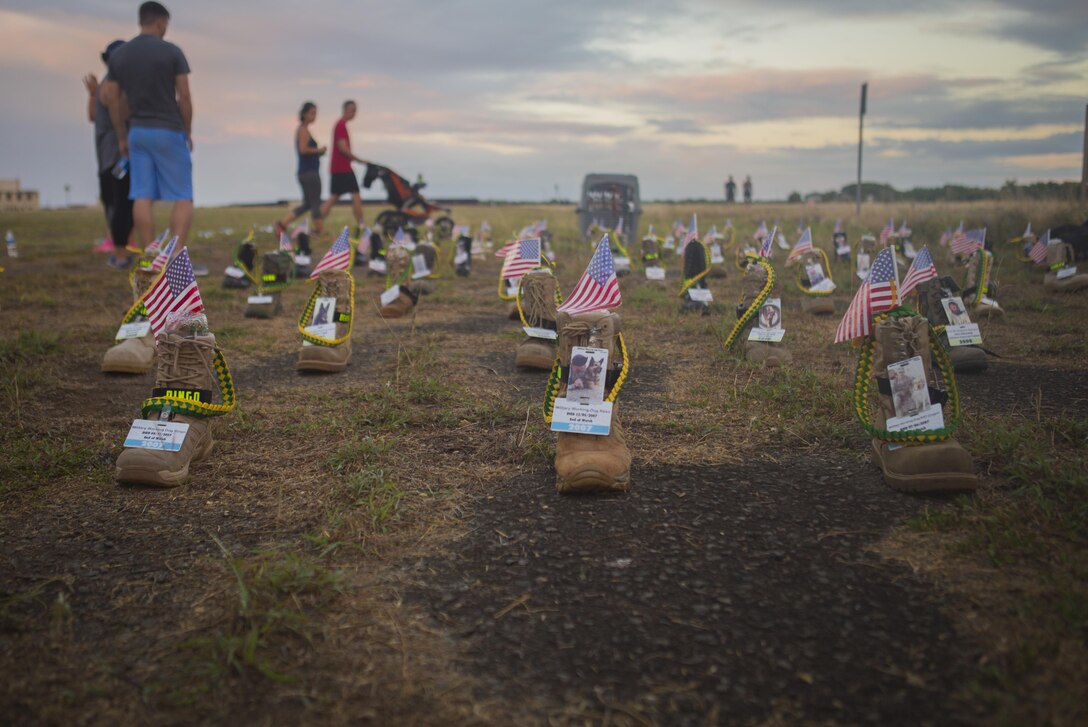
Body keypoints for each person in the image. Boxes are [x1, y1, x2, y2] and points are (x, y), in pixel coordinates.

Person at [102, 1, 193, 262]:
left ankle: (152, 254)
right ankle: (174, 256)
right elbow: (184, 96)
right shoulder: (172, 52)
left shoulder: (121, 56)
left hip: (137, 132)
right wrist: (187, 130)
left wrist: (122, 135)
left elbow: (113, 98)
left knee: (142, 195)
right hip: (168, 130)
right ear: (161, 22)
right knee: (183, 195)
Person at [85, 39, 135, 268]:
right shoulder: (114, 85)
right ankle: (120, 250)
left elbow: (93, 116)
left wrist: (95, 94)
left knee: (116, 203)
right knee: (119, 203)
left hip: (111, 156)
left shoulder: (110, 84)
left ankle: (120, 247)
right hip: (116, 155)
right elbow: (97, 116)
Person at [318, 100, 371, 233]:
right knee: (355, 195)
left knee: (334, 197)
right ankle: (362, 225)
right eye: (352, 110)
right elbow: (343, 148)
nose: (354, 113)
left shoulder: (341, 125)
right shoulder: (340, 125)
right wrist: (358, 160)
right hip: (343, 168)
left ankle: (317, 225)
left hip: (339, 168)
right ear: (345, 110)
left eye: (355, 110)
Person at [276, 102, 327, 236]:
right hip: (309, 172)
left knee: (308, 204)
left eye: (315, 113)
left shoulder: (303, 129)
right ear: (304, 114)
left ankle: (282, 224)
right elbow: (303, 149)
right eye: (312, 113)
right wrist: (319, 150)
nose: (314, 116)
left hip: (304, 171)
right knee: (316, 202)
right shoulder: (303, 130)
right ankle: (320, 231)